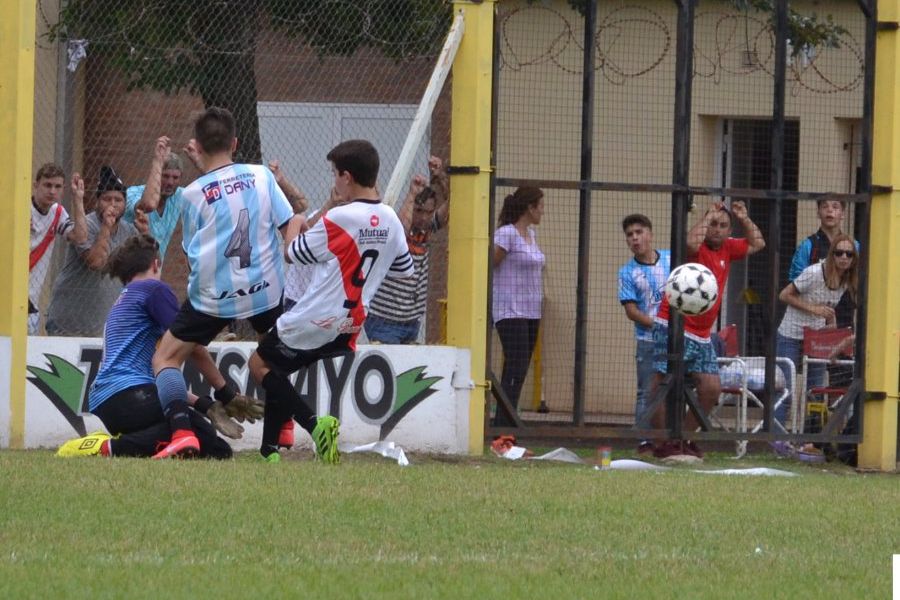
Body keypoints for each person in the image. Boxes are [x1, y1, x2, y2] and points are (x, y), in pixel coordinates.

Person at [248, 139, 414, 463]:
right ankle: (269, 451)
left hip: (314, 316)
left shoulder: (339, 219)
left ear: (347, 177)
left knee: (259, 364)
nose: (334, 181)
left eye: (335, 174)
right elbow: (405, 270)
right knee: (278, 369)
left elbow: (292, 253)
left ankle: (314, 425)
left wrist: (295, 223)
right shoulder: (391, 219)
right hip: (350, 323)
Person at [150, 106, 303, 458]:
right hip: (265, 289)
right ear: (235, 142)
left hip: (214, 298)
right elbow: (286, 224)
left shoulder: (191, 193)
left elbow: (192, 250)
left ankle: (182, 432)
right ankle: (279, 437)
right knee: (271, 363)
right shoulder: (263, 176)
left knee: (165, 359)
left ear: (198, 148)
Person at [55, 235, 246, 458]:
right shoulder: (154, 289)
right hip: (129, 395)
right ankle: (103, 447)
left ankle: (124, 444)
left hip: (112, 400)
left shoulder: (124, 300)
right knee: (199, 433)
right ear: (156, 263)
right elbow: (193, 347)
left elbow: (160, 382)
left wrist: (204, 405)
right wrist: (226, 393)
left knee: (216, 449)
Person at [651, 200, 765, 460]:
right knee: (660, 383)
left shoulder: (729, 248)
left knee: (712, 387)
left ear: (729, 230)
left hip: (702, 335)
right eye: (713, 224)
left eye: (723, 226)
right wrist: (709, 215)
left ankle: (684, 438)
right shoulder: (696, 245)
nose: (717, 230)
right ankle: (661, 443)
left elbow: (758, 243)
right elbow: (690, 242)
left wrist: (744, 218)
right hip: (673, 323)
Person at [774, 234, 858, 439]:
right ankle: (775, 439)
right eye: (839, 253)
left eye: (849, 254)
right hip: (791, 333)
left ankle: (810, 439)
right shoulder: (814, 273)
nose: (844, 258)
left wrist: (831, 324)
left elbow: (828, 307)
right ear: (832, 255)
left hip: (817, 338)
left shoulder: (846, 280)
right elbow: (784, 295)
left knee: (816, 391)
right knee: (786, 389)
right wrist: (814, 309)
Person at [45, 166, 147, 336]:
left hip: (104, 326)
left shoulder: (129, 230)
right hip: (68, 323)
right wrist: (106, 226)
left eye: (118, 199)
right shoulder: (86, 224)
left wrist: (145, 234)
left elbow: (147, 266)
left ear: (124, 204)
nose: (113, 204)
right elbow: (95, 262)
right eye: (107, 199)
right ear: (98, 201)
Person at [366, 156, 449, 344]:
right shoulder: (396, 227)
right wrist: (412, 194)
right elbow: (400, 233)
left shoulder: (426, 230)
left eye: (428, 212)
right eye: (419, 211)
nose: (423, 218)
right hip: (384, 318)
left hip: (410, 321)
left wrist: (441, 177)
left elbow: (451, 207)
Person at [491, 187, 545, 427]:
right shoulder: (506, 234)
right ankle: (505, 421)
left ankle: (507, 417)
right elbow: (492, 264)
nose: (543, 211)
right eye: (540, 206)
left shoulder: (531, 235)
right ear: (529, 208)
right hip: (510, 309)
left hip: (531, 309)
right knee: (517, 361)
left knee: (520, 365)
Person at [617, 214, 671, 454]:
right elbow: (631, 311)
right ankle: (643, 440)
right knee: (646, 390)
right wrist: (657, 324)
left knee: (675, 389)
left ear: (650, 233)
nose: (635, 238)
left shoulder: (671, 259)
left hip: (676, 339)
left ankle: (672, 439)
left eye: (639, 232)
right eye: (630, 235)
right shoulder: (627, 272)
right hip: (648, 340)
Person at [28, 163, 87, 334]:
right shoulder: (21, 208)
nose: (52, 191)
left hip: (30, 302)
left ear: (63, 189)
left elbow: (81, 237)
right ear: (35, 185)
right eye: (47, 185)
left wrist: (78, 199)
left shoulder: (58, 213)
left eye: (57, 186)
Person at [123, 136, 186, 263]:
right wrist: (158, 161)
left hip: (153, 269)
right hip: (126, 270)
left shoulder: (180, 196)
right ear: (156, 174)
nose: (170, 182)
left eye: (175, 178)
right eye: (165, 176)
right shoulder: (133, 193)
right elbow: (148, 205)